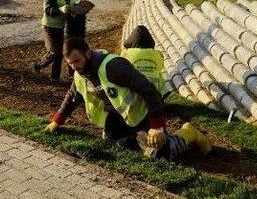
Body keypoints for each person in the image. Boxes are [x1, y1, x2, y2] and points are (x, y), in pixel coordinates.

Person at [44, 37, 211, 159]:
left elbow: (149, 90)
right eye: (70, 63)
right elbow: (73, 95)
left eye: (76, 61)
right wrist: (57, 120)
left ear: (88, 52)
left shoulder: (114, 66)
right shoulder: (81, 73)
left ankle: (189, 132)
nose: (74, 67)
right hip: (118, 118)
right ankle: (138, 140)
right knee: (114, 147)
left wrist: (157, 126)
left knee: (160, 155)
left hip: (143, 115)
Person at [32, 0, 78, 83]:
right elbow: (48, 10)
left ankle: (55, 77)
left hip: (60, 27)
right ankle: (37, 67)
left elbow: (72, 8)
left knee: (60, 53)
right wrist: (61, 10)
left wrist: (78, 10)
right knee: (54, 53)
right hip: (49, 27)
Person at [121, 25, 172, 99]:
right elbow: (160, 66)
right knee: (159, 74)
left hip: (134, 90)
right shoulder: (157, 54)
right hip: (153, 90)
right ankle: (165, 93)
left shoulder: (126, 53)